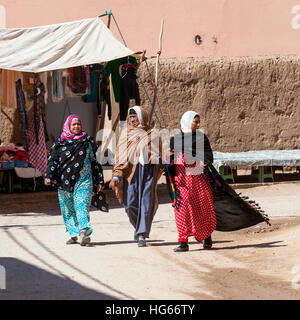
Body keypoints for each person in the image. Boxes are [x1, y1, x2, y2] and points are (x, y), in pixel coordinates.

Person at [45, 114, 104, 246]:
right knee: (67, 209)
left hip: (84, 180)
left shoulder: (87, 141)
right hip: (64, 181)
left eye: (78, 124)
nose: (76, 126)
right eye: (74, 124)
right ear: (68, 126)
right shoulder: (60, 142)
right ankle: (73, 234)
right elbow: (53, 160)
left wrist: (99, 180)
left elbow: (95, 161)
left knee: (81, 205)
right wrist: (48, 175)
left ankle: (83, 232)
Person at [109, 106, 163, 247]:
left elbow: (160, 155)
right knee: (130, 204)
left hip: (148, 173)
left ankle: (141, 234)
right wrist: (116, 176)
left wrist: (157, 157)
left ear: (142, 117)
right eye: (131, 117)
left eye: (135, 116)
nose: (133, 119)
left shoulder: (154, 134)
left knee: (146, 203)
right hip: (130, 173)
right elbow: (120, 156)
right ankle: (138, 227)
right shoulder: (126, 134)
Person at [168, 110, 216, 252]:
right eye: (196, 122)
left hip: (198, 181)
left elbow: (209, 156)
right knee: (181, 208)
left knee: (202, 209)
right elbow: (167, 161)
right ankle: (183, 241)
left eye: (198, 122)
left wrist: (203, 160)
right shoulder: (174, 139)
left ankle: (207, 237)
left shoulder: (201, 138)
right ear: (188, 122)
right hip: (181, 181)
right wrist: (168, 156)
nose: (198, 124)